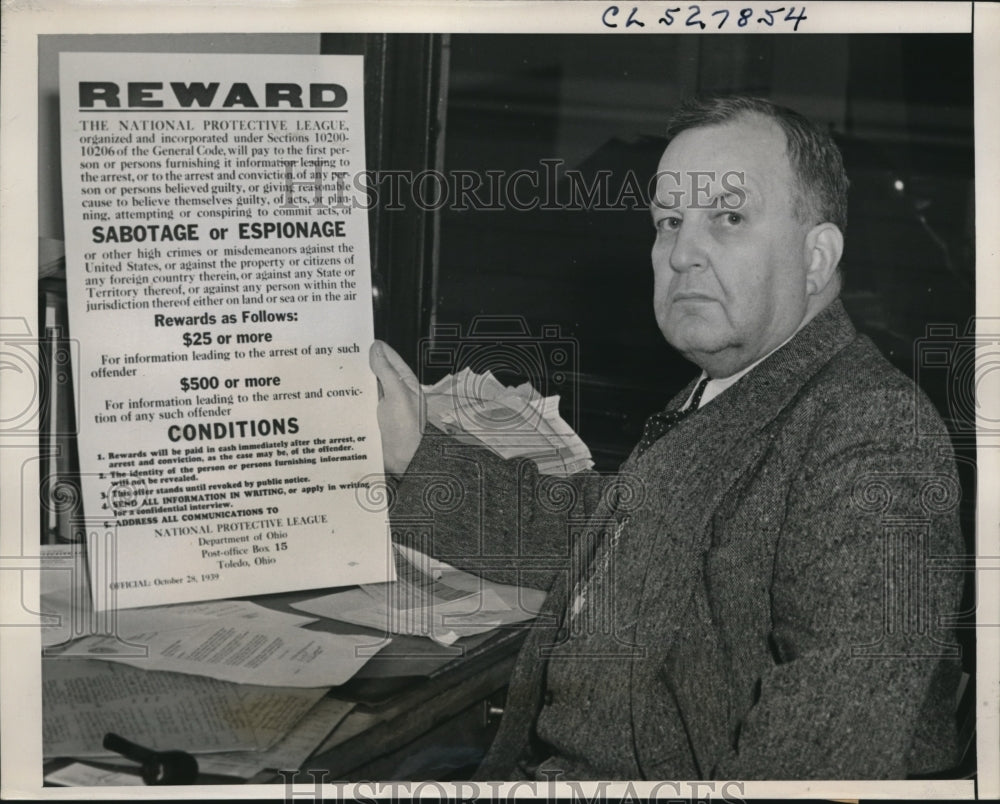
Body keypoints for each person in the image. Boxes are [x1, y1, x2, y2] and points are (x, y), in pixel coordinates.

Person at [368, 96, 965, 780]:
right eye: (669, 222)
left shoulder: (873, 431)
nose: (682, 254)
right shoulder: (737, 386)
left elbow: (821, 762)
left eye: (729, 218)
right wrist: (414, 453)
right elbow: (603, 531)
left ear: (816, 257)